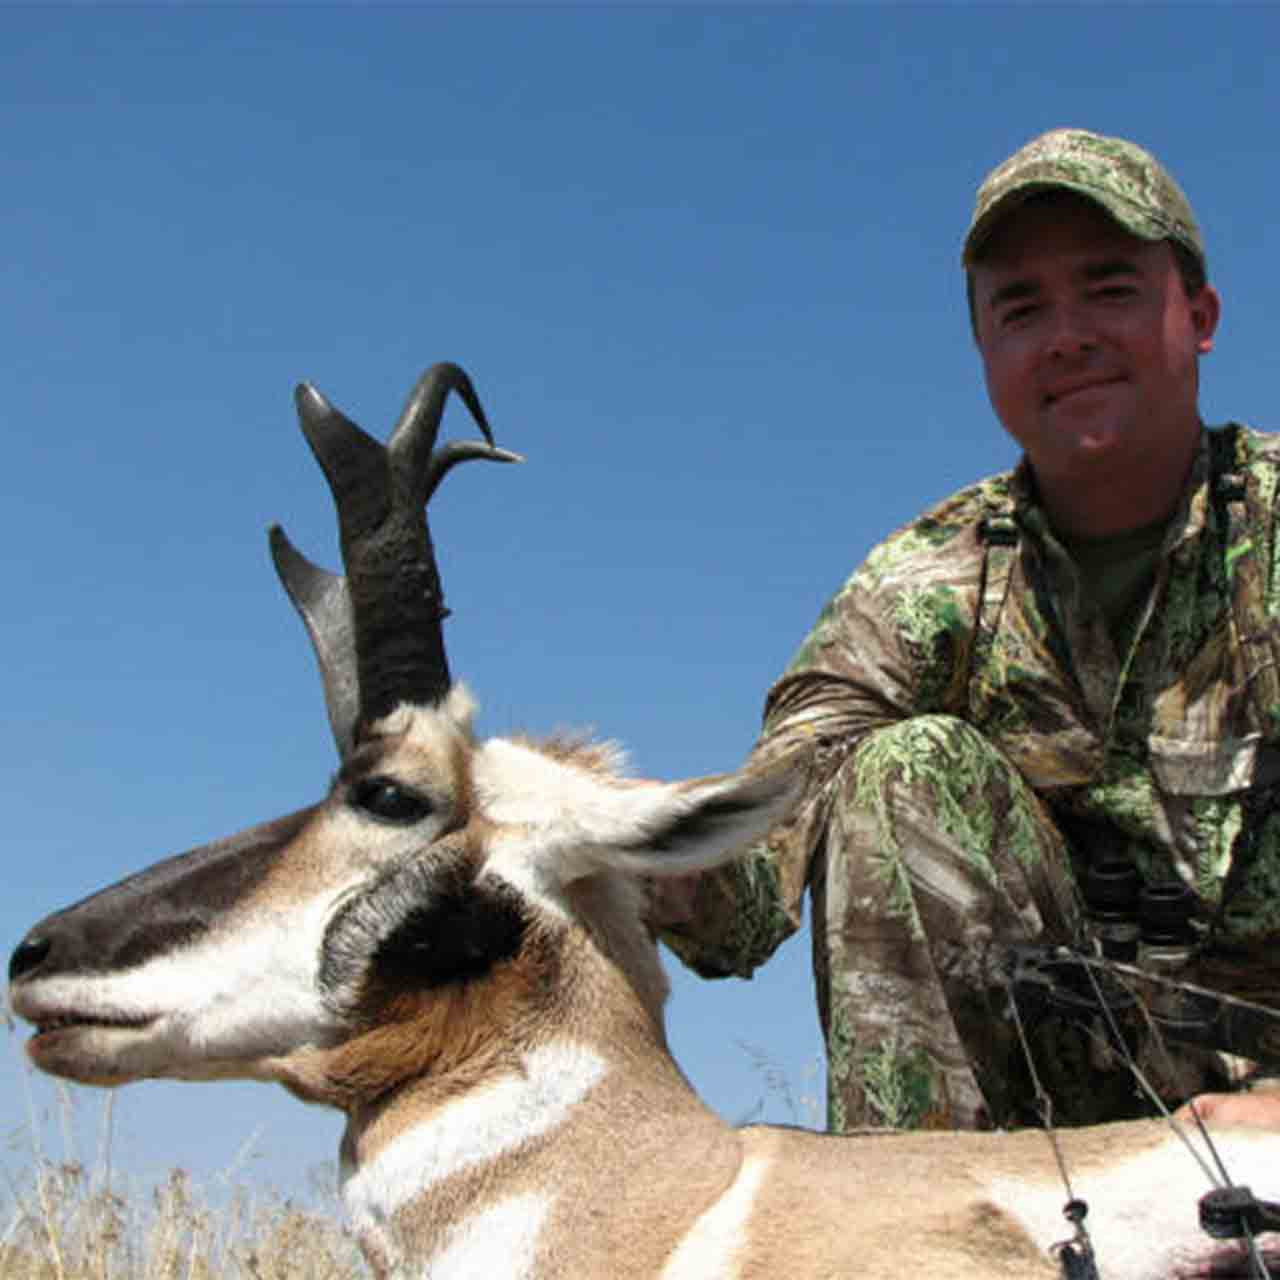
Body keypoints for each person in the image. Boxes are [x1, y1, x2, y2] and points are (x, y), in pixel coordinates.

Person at [655, 128, 1280, 1133]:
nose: (1066, 334)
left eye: (1108, 288)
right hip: (1053, 1141)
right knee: (902, 771)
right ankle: (920, 1233)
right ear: (984, 352)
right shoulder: (922, 585)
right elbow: (747, 882)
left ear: (1197, 316)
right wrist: (594, 835)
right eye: (1020, 308)